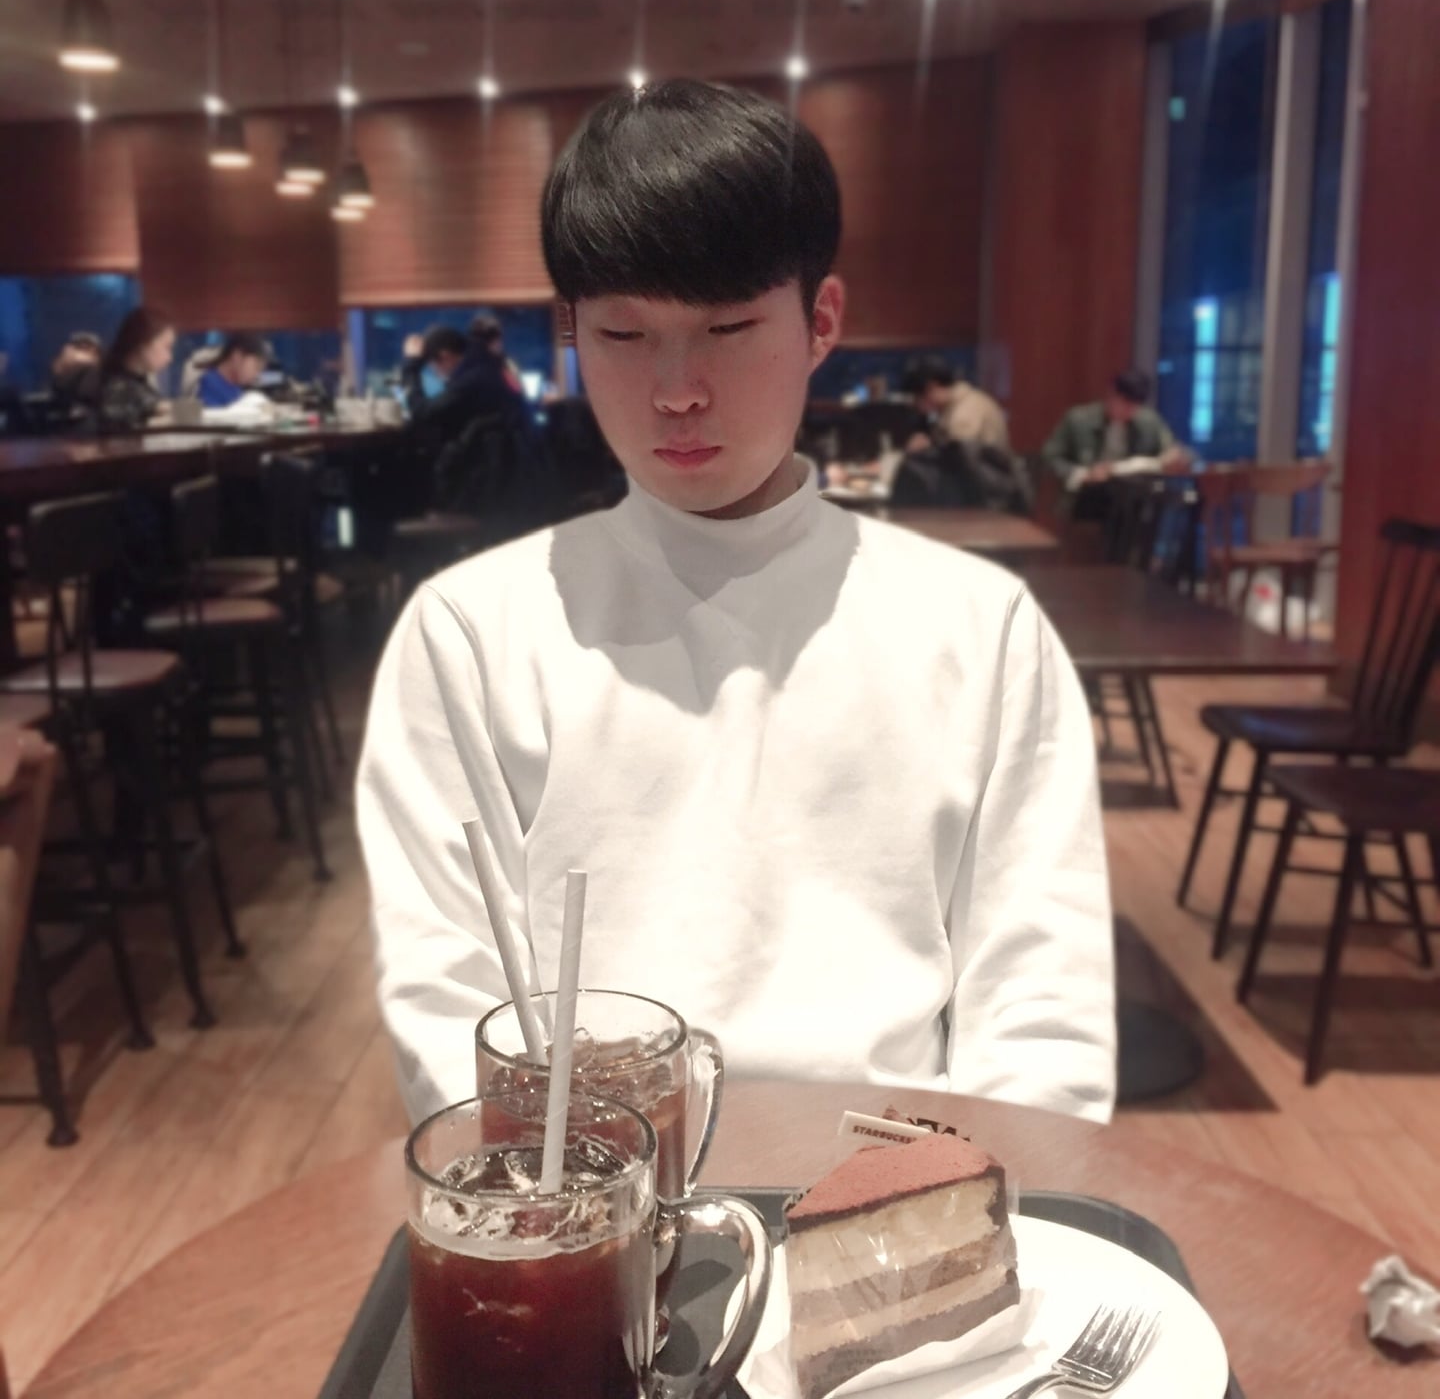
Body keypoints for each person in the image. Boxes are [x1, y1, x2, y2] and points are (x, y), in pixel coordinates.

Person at [358, 80, 1115, 1128]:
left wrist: (959, 1197)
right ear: (571, 330)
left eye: (727, 327)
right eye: (624, 335)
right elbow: (447, 1001)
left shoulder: (981, 629)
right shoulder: (471, 632)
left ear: (821, 321)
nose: (677, 389)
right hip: (589, 1191)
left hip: (903, 1183)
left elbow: (1042, 1015)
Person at [901, 356, 1032, 513]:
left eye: (918, 398)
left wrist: (925, 450)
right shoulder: (954, 407)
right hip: (984, 493)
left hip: (992, 499)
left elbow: (957, 460)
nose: (917, 405)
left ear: (932, 387)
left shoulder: (966, 410)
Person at [1042, 371, 1181, 511]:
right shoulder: (1078, 419)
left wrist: (1173, 457)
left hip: (1133, 499)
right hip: (1084, 497)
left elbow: (1171, 448)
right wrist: (1083, 474)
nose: (1128, 411)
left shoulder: (1149, 421)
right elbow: (1049, 457)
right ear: (1111, 395)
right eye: (1124, 404)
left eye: (1134, 407)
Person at [96, 308, 175, 433]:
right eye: (167, 347)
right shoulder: (117, 388)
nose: (170, 358)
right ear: (143, 344)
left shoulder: (135, 383)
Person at [197, 332, 269, 408]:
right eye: (256, 367)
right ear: (237, 356)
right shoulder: (208, 385)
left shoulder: (236, 390)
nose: (256, 375)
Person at [48, 331, 102, 406]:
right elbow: (57, 370)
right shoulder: (69, 352)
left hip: (84, 400)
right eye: (82, 345)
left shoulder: (95, 361)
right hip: (63, 395)